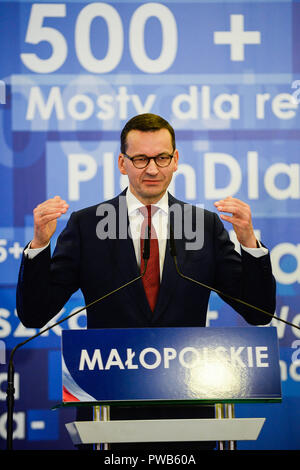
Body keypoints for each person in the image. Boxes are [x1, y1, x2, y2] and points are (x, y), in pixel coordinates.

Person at [16, 113, 276, 451]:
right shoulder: (86, 225)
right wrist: (39, 244)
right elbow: (34, 314)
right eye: (140, 159)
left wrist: (249, 244)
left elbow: (258, 312)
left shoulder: (204, 225)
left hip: (190, 415)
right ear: (122, 163)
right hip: (108, 415)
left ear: (176, 160)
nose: (152, 169)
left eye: (161, 157)